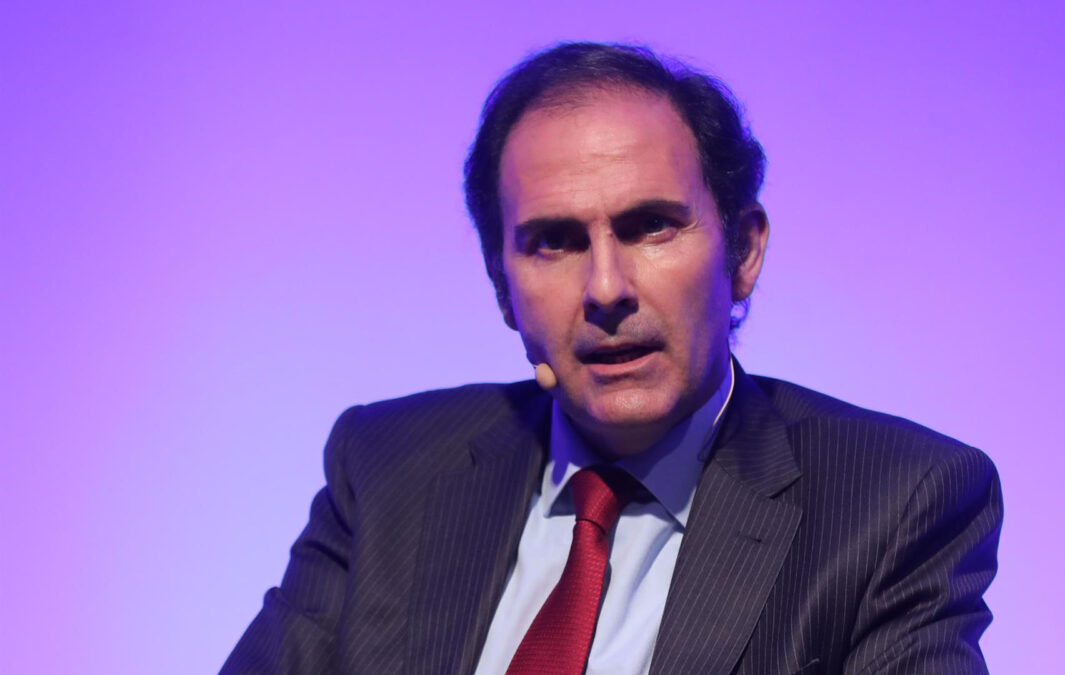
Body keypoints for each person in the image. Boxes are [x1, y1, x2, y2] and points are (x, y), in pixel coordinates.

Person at [221, 42, 1002, 675]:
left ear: (743, 251)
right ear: (501, 287)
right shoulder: (387, 465)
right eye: (554, 241)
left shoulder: (894, 504)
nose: (605, 288)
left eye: (650, 226)